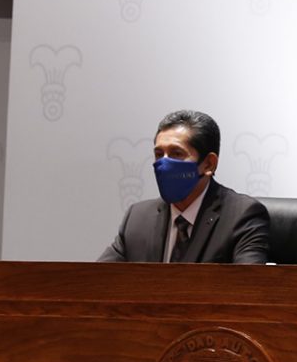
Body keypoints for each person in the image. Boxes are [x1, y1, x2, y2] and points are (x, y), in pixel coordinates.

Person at [97, 109, 270, 264]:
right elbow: (97, 280)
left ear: (209, 164)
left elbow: (248, 284)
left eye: (177, 154)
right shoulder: (138, 217)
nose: (164, 164)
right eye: (159, 154)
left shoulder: (241, 216)